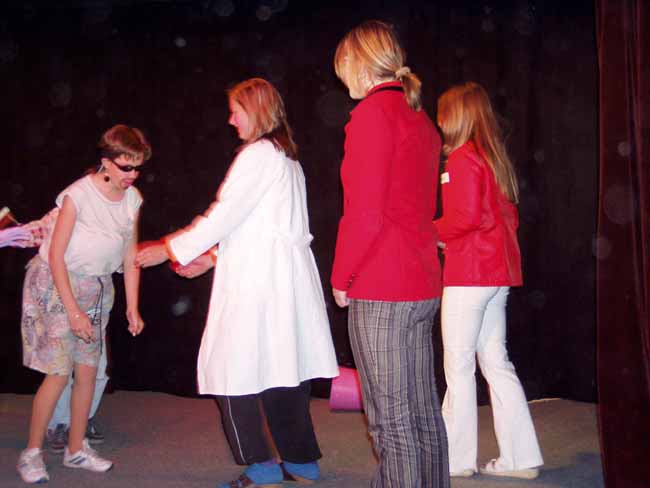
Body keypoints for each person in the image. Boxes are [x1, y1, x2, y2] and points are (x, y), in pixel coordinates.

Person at [135, 77, 339, 488]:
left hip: (259, 284)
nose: (231, 121)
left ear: (256, 110)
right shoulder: (286, 159)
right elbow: (258, 225)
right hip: (282, 282)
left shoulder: (258, 155)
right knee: (284, 370)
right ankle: (301, 462)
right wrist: (211, 258)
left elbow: (225, 216)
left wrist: (169, 248)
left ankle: (261, 464)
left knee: (230, 367)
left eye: (236, 111)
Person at [331, 20, 450, 488]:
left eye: (343, 66)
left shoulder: (371, 116)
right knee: (422, 412)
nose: (342, 77)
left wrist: (342, 277)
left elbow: (365, 214)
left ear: (358, 64)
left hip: (382, 284)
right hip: (421, 281)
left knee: (391, 421)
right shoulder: (419, 118)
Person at [16, 124, 148, 484]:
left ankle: (76, 449)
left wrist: (132, 306)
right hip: (59, 284)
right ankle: (31, 453)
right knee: (59, 372)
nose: (132, 175)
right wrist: (73, 310)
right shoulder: (78, 195)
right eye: (126, 167)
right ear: (106, 162)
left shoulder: (132, 199)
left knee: (88, 370)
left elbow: (129, 255)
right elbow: (56, 256)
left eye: (138, 167)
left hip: (98, 286)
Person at [433, 82, 544, 479]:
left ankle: (456, 459)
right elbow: (502, 219)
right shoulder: (494, 158)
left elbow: (464, 218)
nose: (440, 122)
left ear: (457, 116)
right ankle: (521, 458)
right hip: (497, 274)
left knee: (459, 366)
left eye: (443, 114)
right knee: (496, 362)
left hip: (469, 274)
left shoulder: (462, 158)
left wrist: (429, 232)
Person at [12, 208, 108, 453]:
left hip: (93, 296)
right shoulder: (73, 203)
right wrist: (12, 233)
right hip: (58, 293)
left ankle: (80, 424)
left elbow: (125, 255)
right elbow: (39, 231)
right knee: (60, 369)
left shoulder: (121, 210)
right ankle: (58, 425)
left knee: (95, 369)